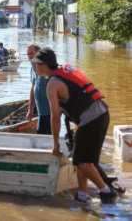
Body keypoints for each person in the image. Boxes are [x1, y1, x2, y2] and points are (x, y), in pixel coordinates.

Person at [31, 47, 117, 204]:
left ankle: (106, 191)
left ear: (45, 65)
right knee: (82, 159)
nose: (35, 66)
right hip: (101, 113)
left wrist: (55, 145)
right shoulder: (65, 71)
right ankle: (83, 195)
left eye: (36, 64)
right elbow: (81, 98)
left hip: (93, 119)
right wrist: (78, 126)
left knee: (80, 161)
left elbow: (55, 117)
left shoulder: (52, 84)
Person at [26, 44, 51, 134]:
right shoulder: (32, 69)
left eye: (32, 53)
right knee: (40, 138)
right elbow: (33, 87)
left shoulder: (45, 68)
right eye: (28, 54)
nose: (30, 56)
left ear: (39, 53)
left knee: (48, 141)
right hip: (41, 114)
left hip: (50, 114)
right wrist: (30, 109)